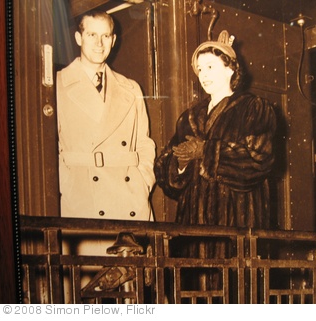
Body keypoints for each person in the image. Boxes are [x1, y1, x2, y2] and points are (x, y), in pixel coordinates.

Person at [154, 31, 276, 295]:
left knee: (234, 295)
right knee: (193, 296)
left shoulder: (253, 108)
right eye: (199, 69)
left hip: (237, 227)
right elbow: (168, 175)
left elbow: (259, 160)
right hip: (193, 233)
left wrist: (206, 151)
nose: (204, 74)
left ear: (231, 69)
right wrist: (181, 163)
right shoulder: (189, 118)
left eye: (210, 66)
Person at [57, 10, 156, 221]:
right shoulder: (57, 85)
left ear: (113, 41)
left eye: (105, 36)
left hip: (129, 199)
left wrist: (143, 180)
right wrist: (66, 183)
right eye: (92, 35)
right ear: (78, 38)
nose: (99, 43)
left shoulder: (130, 88)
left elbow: (143, 142)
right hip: (82, 199)